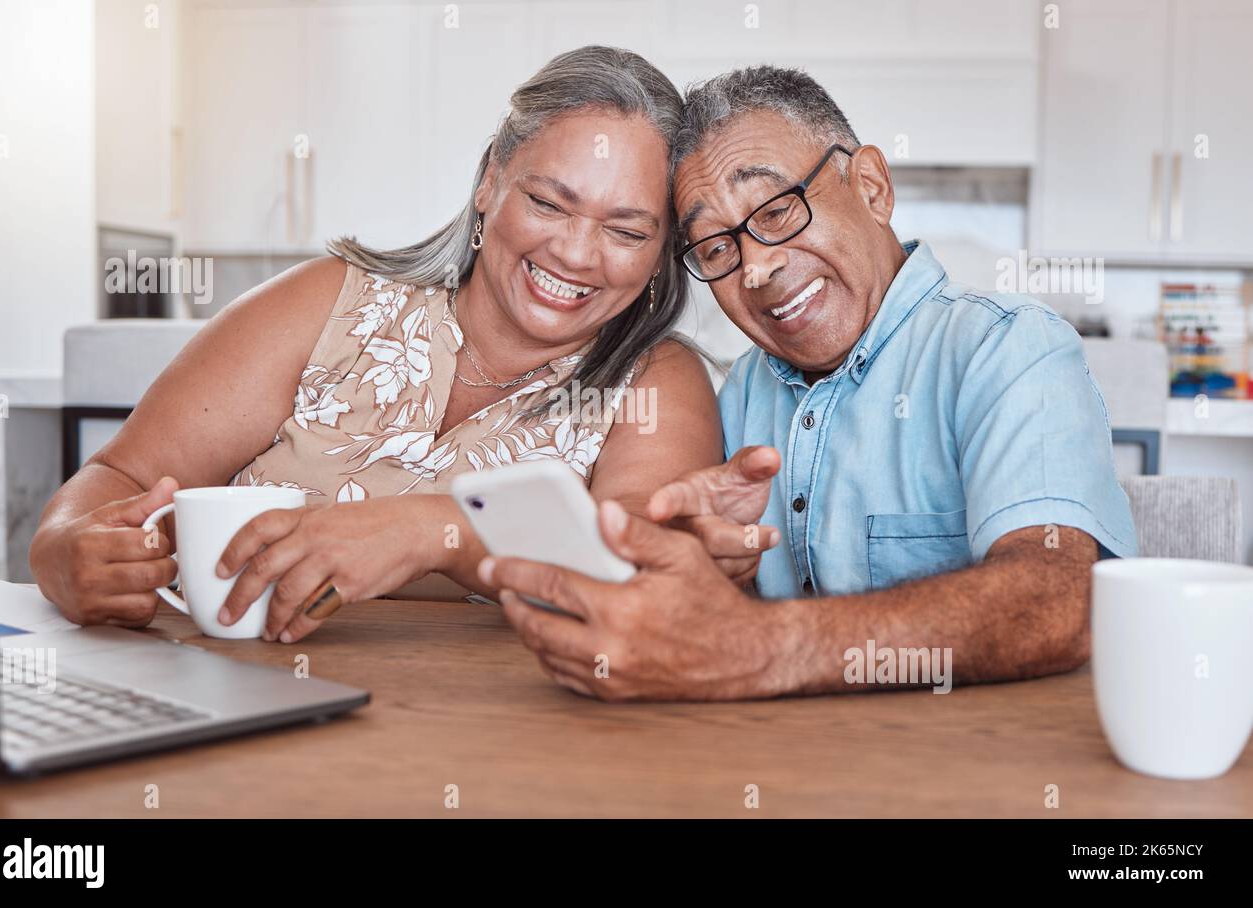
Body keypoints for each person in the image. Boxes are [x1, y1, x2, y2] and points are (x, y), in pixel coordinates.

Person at [481, 65, 1138, 701]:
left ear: (873, 187)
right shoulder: (741, 391)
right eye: (716, 248)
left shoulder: (1006, 347)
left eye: (776, 211)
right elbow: (694, 632)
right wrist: (716, 569)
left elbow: (1059, 599)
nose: (757, 268)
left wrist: (758, 645)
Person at [29, 46, 724, 644]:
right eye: (548, 202)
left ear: (662, 250)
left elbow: (647, 573)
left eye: (627, 231)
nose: (575, 252)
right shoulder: (326, 301)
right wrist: (61, 550)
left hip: (491, 753)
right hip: (231, 713)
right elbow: (121, 480)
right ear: (490, 184)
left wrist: (434, 531)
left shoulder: (656, 383)